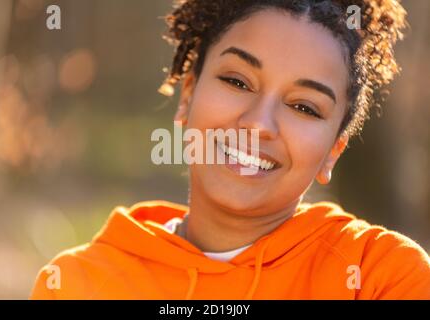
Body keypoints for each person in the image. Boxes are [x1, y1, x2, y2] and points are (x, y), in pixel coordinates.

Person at [30, 0, 430, 299]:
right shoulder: (77, 283)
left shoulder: (381, 277)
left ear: (333, 152)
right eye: (238, 82)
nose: (258, 124)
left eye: (304, 107)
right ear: (188, 94)